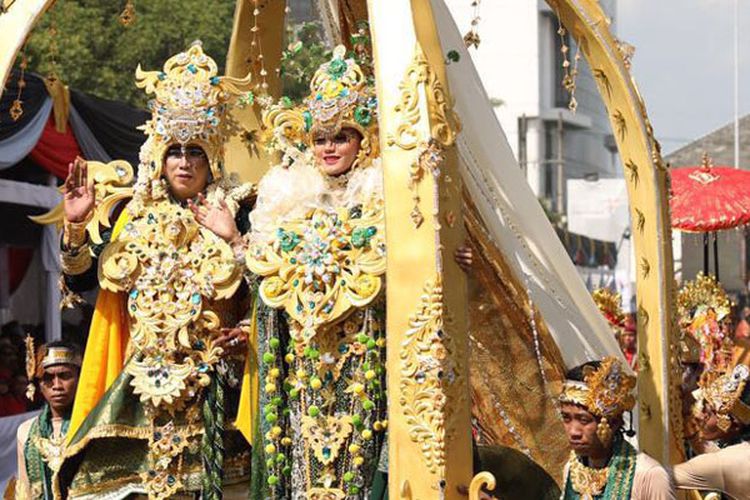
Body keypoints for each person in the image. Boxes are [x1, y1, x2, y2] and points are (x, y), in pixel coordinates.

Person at [244, 46, 472, 498]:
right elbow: (264, 278)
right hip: (303, 357)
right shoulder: (285, 196)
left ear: (362, 139)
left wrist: (448, 263)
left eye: (341, 136)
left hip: (366, 350)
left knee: (361, 461)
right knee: (302, 464)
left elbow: (415, 265)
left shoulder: (386, 195)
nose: (329, 148)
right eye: (321, 138)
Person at [53, 42, 256, 499]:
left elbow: (267, 294)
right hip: (142, 388)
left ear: (212, 158)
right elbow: (87, 283)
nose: (184, 161)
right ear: (161, 159)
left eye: (195, 151)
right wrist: (76, 226)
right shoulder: (134, 216)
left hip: (215, 384)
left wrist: (234, 241)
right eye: (175, 151)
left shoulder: (241, 210)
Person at [558, 357, 675, 499]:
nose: (573, 431)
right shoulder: (572, 468)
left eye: (584, 420)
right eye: (566, 418)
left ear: (613, 423)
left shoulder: (648, 474)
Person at [673, 363, 750, 499]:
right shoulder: (735, 445)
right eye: (703, 404)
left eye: (710, 413)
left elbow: (663, 476)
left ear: (735, 425)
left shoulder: (737, 458)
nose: (699, 414)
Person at [16, 340, 81, 500]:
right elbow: (25, 491)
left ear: (80, 378)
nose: (57, 385)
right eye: (48, 378)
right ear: (38, 384)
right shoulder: (27, 431)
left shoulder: (95, 426)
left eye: (65, 376)